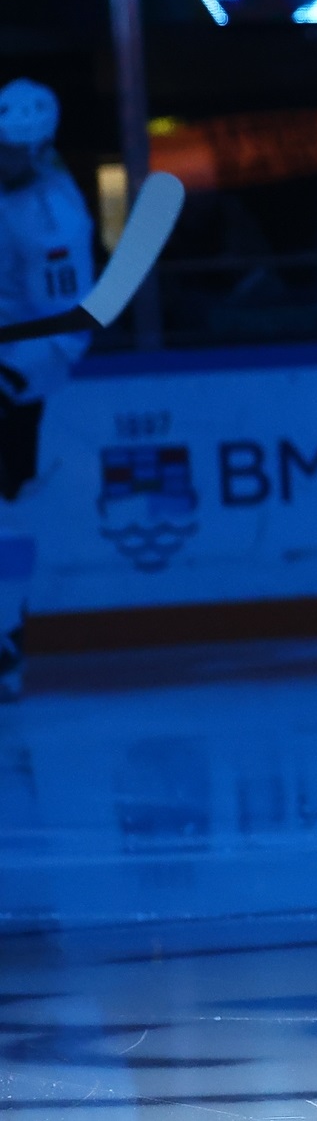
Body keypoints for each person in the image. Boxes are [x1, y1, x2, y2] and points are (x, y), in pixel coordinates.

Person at [0, 82, 96, 700]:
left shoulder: (53, 218)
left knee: (4, 514)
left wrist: (11, 379)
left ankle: (4, 641)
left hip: (13, 382)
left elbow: (66, 331)